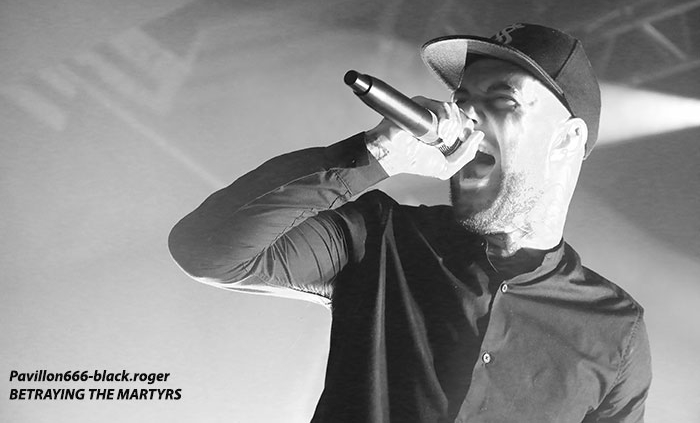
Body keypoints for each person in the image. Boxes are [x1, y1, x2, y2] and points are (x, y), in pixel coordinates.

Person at [168, 23, 652, 422]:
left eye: (503, 100)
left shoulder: (615, 331)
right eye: (462, 98)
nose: (466, 115)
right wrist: (373, 155)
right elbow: (207, 250)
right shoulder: (380, 236)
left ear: (567, 140)